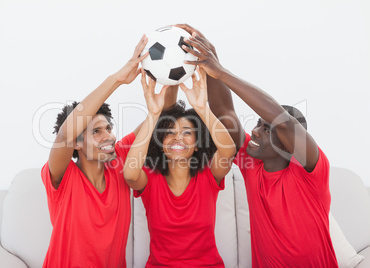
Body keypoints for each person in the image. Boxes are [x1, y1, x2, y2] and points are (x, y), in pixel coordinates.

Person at [177, 24, 338, 267]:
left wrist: (222, 72)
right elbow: (225, 112)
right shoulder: (252, 166)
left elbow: (283, 123)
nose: (254, 131)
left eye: (265, 129)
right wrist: (212, 60)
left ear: (289, 143)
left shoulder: (311, 173)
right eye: (257, 124)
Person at [41, 35, 178, 268]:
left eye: (108, 128)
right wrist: (116, 80)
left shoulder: (120, 162)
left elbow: (165, 111)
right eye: (96, 132)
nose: (108, 136)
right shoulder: (62, 177)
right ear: (77, 143)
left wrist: (175, 71)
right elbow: (64, 134)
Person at [123, 67, 236, 267]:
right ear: (160, 141)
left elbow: (228, 152)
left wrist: (203, 109)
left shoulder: (208, 175)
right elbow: (130, 174)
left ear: (198, 142)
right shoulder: (151, 179)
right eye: (169, 132)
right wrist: (153, 115)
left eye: (186, 132)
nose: (177, 137)